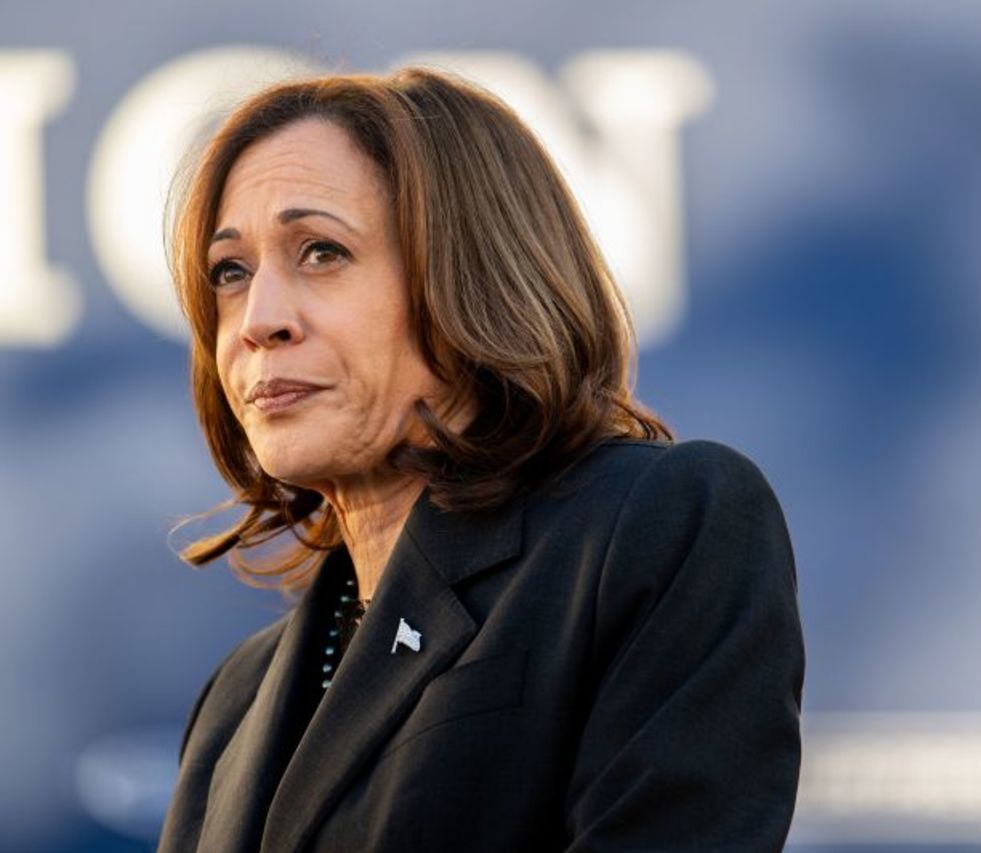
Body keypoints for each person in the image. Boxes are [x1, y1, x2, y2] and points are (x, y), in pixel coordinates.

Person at [157, 65, 804, 852]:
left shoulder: (655, 530)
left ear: (475, 276)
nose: (258, 319)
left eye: (321, 252)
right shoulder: (235, 701)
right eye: (231, 271)